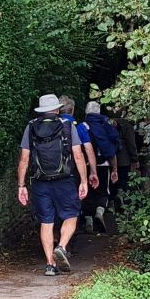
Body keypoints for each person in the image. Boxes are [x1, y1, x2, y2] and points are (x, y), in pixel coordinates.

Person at [17, 94, 88, 276]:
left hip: (40, 182)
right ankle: (62, 246)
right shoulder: (66, 125)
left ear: (41, 110)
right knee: (71, 215)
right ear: (57, 109)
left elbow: (24, 159)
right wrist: (84, 181)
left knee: (46, 222)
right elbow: (78, 155)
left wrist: (21, 185)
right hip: (65, 180)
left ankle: (50, 264)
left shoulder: (31, 127)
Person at [58, 96, 100, 233]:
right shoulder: (79, 127)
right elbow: (88, 149)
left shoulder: (48, 125)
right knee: (71, 205)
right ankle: (67, 239)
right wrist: (93, 172)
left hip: (48, 171)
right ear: (73, 110)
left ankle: (55, 235)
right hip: (72, 171)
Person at [83, 101, 119, 232]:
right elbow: (112, 149)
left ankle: (88, 220)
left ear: (86, 112)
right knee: (103, 191)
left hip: (86, 165)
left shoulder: (83, 126)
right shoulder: (106, 125)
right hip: (104, 164)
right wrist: (115, 169)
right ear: (99, 112)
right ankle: (99, 212)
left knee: (87, 193)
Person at [109, 111, 139, 211]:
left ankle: (111, 203)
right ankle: (122, 201)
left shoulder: (107, 123)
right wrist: (135, 159)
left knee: (112, 182)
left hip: (110, 158)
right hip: (123, 159)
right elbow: (131, 143)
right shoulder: (127, 126)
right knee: (123, 181)